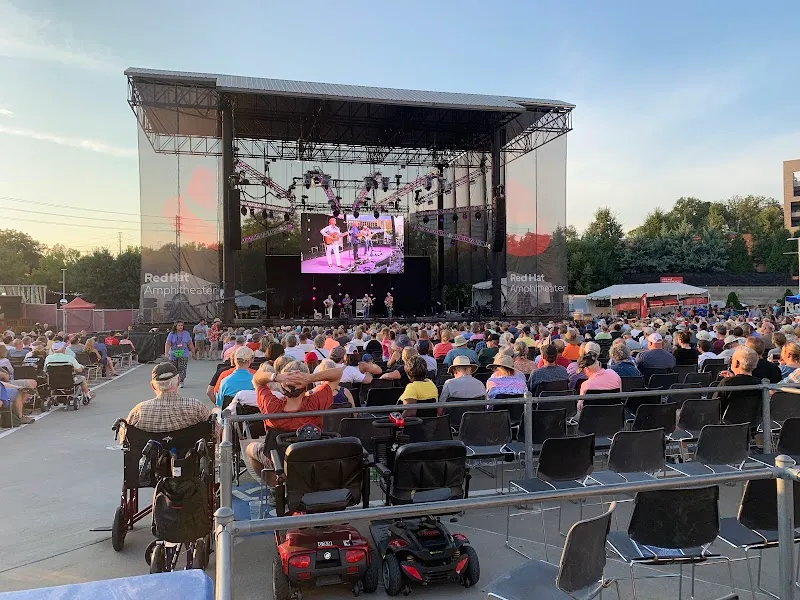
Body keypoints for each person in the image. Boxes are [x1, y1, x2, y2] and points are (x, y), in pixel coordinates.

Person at [246, 361, 344, 494]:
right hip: (312, 458)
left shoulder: (271, 406)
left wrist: (277, 377)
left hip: (280, 462)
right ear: (305, 386)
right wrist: (310, 378)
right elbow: (338, 373)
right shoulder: (316, 403)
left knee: (250, 448)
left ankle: (277, 488)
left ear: (282, 387)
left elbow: (257, 379)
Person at [122, 363, 210, 442]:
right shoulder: (196, 406)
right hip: (190, 457)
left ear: (153, 386)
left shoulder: (139, 411)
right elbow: (214, 432)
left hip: (152, 456)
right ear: (178, 380)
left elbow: (125, 437)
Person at [714, 346, 760, 416]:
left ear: (736, 363)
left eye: (732, 359)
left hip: (727, 424)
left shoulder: (726, 383)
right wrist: (733, 378)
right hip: (752, 424)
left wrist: (730, 380)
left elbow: (714, 406)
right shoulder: (760, 383)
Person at [165, 321, 195, 387]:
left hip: (184, 352)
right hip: (173, 353)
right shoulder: (171, 334)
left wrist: (193, 352)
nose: (180, 327)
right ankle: (174, 381)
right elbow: (168, 343)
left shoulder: (186, 333)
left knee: (182, 367)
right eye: (179, 325)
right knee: (173, 368)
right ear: (175, 326)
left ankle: (181, 381)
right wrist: (166, 353)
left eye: (181, 325)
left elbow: (190, 343)